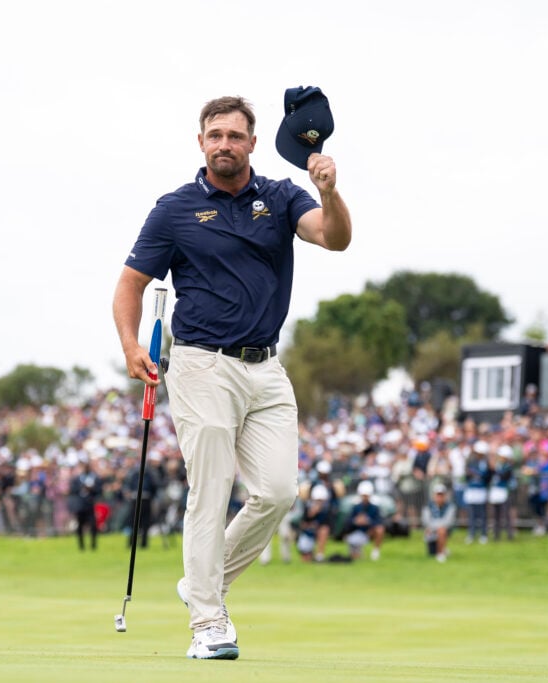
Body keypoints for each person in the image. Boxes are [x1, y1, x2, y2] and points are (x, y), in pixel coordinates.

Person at [113, 94, 351, 660]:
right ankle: (207, 622)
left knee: (276, 493)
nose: (224, 144)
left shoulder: (281, 196)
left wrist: (329, 191)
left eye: (234, 136)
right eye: (214, 135)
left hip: (267, 367)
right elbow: (130, 285)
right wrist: (129, 346)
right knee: (212, 487)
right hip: (199, 363)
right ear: (201, 142)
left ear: (251, 142)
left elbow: (335, 237)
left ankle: (201, 583)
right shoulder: (173, 210)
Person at [344, 480, 385, 561]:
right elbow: (347, 522)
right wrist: (355, 521)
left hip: (369, 532)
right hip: (357, 532)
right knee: (355, 556)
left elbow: (380, 521)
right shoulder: (356, 507)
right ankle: (357, 551)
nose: (365, 498)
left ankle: (375, 551)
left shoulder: (374, 508)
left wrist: (368, 522)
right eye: (363, 495)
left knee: (380, 529)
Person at [422, 482, 456, 562]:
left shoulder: (450, 506)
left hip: (444, 530)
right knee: (431, 553)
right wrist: (432, 528)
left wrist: (435, 527)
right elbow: (426, 520)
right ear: (434, 495)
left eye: (441, 495)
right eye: (438, 495)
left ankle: (440, 553)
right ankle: (442, 549)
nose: (439, 497)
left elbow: (448, 521)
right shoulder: (428, 506)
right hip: (430, 530)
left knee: (441, 531)